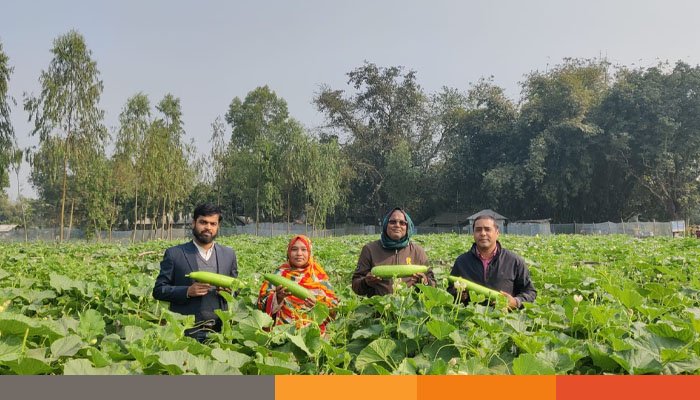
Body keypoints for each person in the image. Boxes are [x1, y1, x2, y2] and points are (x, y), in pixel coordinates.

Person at [152, 203, 238, 342]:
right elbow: (158, 290)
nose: (208, 227)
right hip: (186, 331)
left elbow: (236, 288)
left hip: (219, 332)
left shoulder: (228, 254)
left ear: (218, 226)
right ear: (194, 223)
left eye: (213, 224)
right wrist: (187, 291)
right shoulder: (175, 254)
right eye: (203, 222)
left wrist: (229, 291)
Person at [447, 214, 536, 309]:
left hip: (504, 316)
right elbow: (450, 292)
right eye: (478, 230)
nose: (483, 233)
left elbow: (530, 292)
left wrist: (516, 302)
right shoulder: (462, 262)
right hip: (470, 316)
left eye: (487, 229)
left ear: (497, 233)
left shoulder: (514, 261)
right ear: (473, 234)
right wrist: (457, 295)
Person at [258, 235, 338, 331]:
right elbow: (261, 306)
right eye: (294, 249)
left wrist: (317, 306)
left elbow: (333, 308)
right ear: (288, 253)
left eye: (304, 250)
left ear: (309, 252)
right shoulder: (279, 274)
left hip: (313, 330)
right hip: (282, 330)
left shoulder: (318, 275)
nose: (299, 253)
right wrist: (277, 298)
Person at [351, 207, 436, 296]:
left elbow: (433, 285)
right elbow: (355, 285)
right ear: (385, 225)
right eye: (392, 222)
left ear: (407, 227)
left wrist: (425, 282)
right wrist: (366, 282)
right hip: (380, 304)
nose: (397, 225)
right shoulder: (369, 249)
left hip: (409, 304)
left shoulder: (418, 251)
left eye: (402, 223)